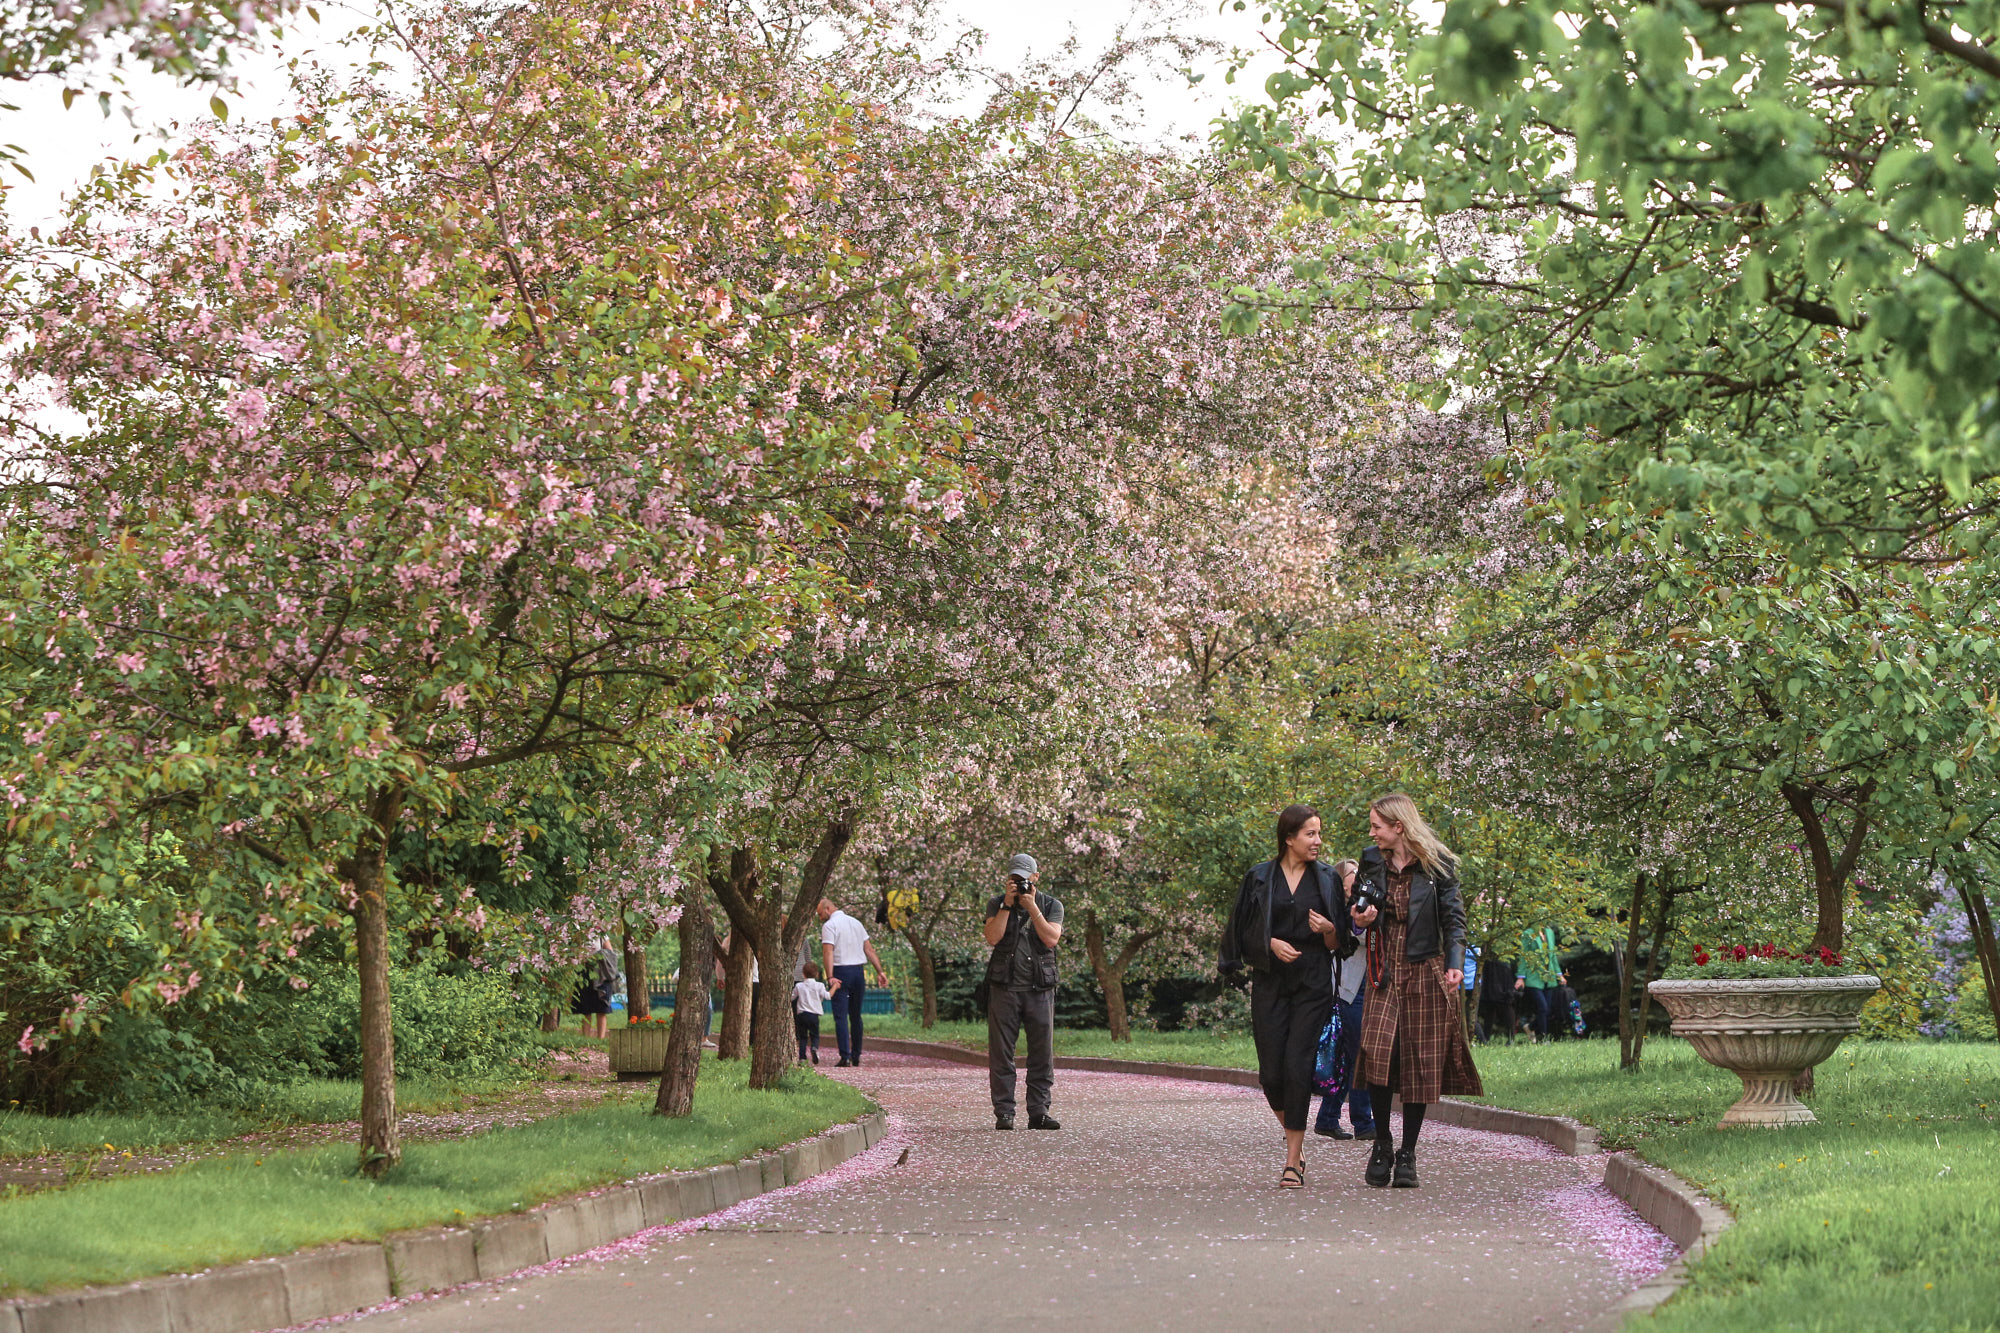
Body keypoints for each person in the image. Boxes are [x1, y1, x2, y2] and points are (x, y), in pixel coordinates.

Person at [1350, 793, 1483, 1190]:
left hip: (1425, 967)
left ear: (1399, 827)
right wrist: (1360, 917)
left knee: (1419, 1060)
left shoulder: (1438, 864)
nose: (1371, 833)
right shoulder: (1371, 860)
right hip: (1382, 966)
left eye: (1377, 826)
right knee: (1376, 1050)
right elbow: (1356, 911)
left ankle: (1408, 1152)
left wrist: (1455, 963)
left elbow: (1454, 919)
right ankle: (1382, 1145)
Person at [1220, 805, 1351, 1188]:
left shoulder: (1326, 878)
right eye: (1310, 834)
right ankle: (1296, 1139)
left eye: (1319, 833)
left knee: (1298, 1067)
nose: (1318, 841)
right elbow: (1240, 932)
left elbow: (1338, 941)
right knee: (1272, 1074)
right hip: (1270, 981)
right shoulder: (1259, 877)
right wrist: (1270, 943)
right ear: (1289, 838)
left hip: (1312, 982)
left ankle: (1293, 1159)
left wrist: (1328, 927)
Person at [983, 853, 1065, 1130]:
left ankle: (1038, 1112)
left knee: (1042, 1053)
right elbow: (992, 937)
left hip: (1039, 989)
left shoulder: (1051, 905)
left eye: (1024, 879)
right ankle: (1004, 1112)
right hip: (1004, 988)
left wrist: (1032, 909)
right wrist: (1007, 906)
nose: (1020, 884)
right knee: (1001, 1053)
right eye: (1015, 879)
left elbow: (1051, 938)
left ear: (1036, 878)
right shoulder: (997, 903)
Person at [1313, 858, 1374, 1141]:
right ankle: (1363, 1122)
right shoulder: (1338, 910)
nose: (1358, 878)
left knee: (1350, 1057)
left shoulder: (1367, 903)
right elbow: (1352, 939)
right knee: (1359, 1054)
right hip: (1348, 989)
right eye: (1352, 874)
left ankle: (1327, 1117)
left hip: (1362, 987)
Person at [817, 897, 888, 1067]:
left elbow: (828, 952)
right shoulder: (856, 923)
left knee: (840, 1016)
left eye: (820, 914)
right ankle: (856, 1055)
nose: (819, 918)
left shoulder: (829, 926)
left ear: (827, 909)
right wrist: (880, 971)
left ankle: (845, 1056)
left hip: (841, 971)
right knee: (856, 1016)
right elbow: (869, 949)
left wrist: (830, 976)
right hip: (858, 972)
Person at [1518, 925, 1566, 1042]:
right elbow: (1523, 956)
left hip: (1548, 976)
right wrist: (1520, 977)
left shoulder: (1549, 932)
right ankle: (1544, 1039)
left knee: (1548, 1010)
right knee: (1543, 1008)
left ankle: (1530, 1027)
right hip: (1533, 976)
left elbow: (1552, 955)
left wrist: (1559, 974)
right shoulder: (1527, 933)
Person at [570, 940, 619, 1040]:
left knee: (601, 1008)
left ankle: (600, 1038)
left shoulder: (601, 935)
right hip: (584, 972)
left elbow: (610, 952)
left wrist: (596, 957)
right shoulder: (579, 935)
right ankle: (585, 1038)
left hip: (601, 974)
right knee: (585, 1009)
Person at [793, 962, 838, 1065]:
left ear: (803, 974)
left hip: (802, 1015)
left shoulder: (799, 986)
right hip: (814, 1015)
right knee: (815, 1035)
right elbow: (827, 996)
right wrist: (835, 986)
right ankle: (814, 1048)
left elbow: (792, 997)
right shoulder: (820, 985)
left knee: (803, 1037)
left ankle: (802, 1058)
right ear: (817, 974)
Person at [1478, 952, 1519, 1043]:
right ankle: (1486, 1037)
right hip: (1489, 966)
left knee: (1505, 1001)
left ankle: (1510, 1037)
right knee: (1490, 1003)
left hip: (1502, 967)